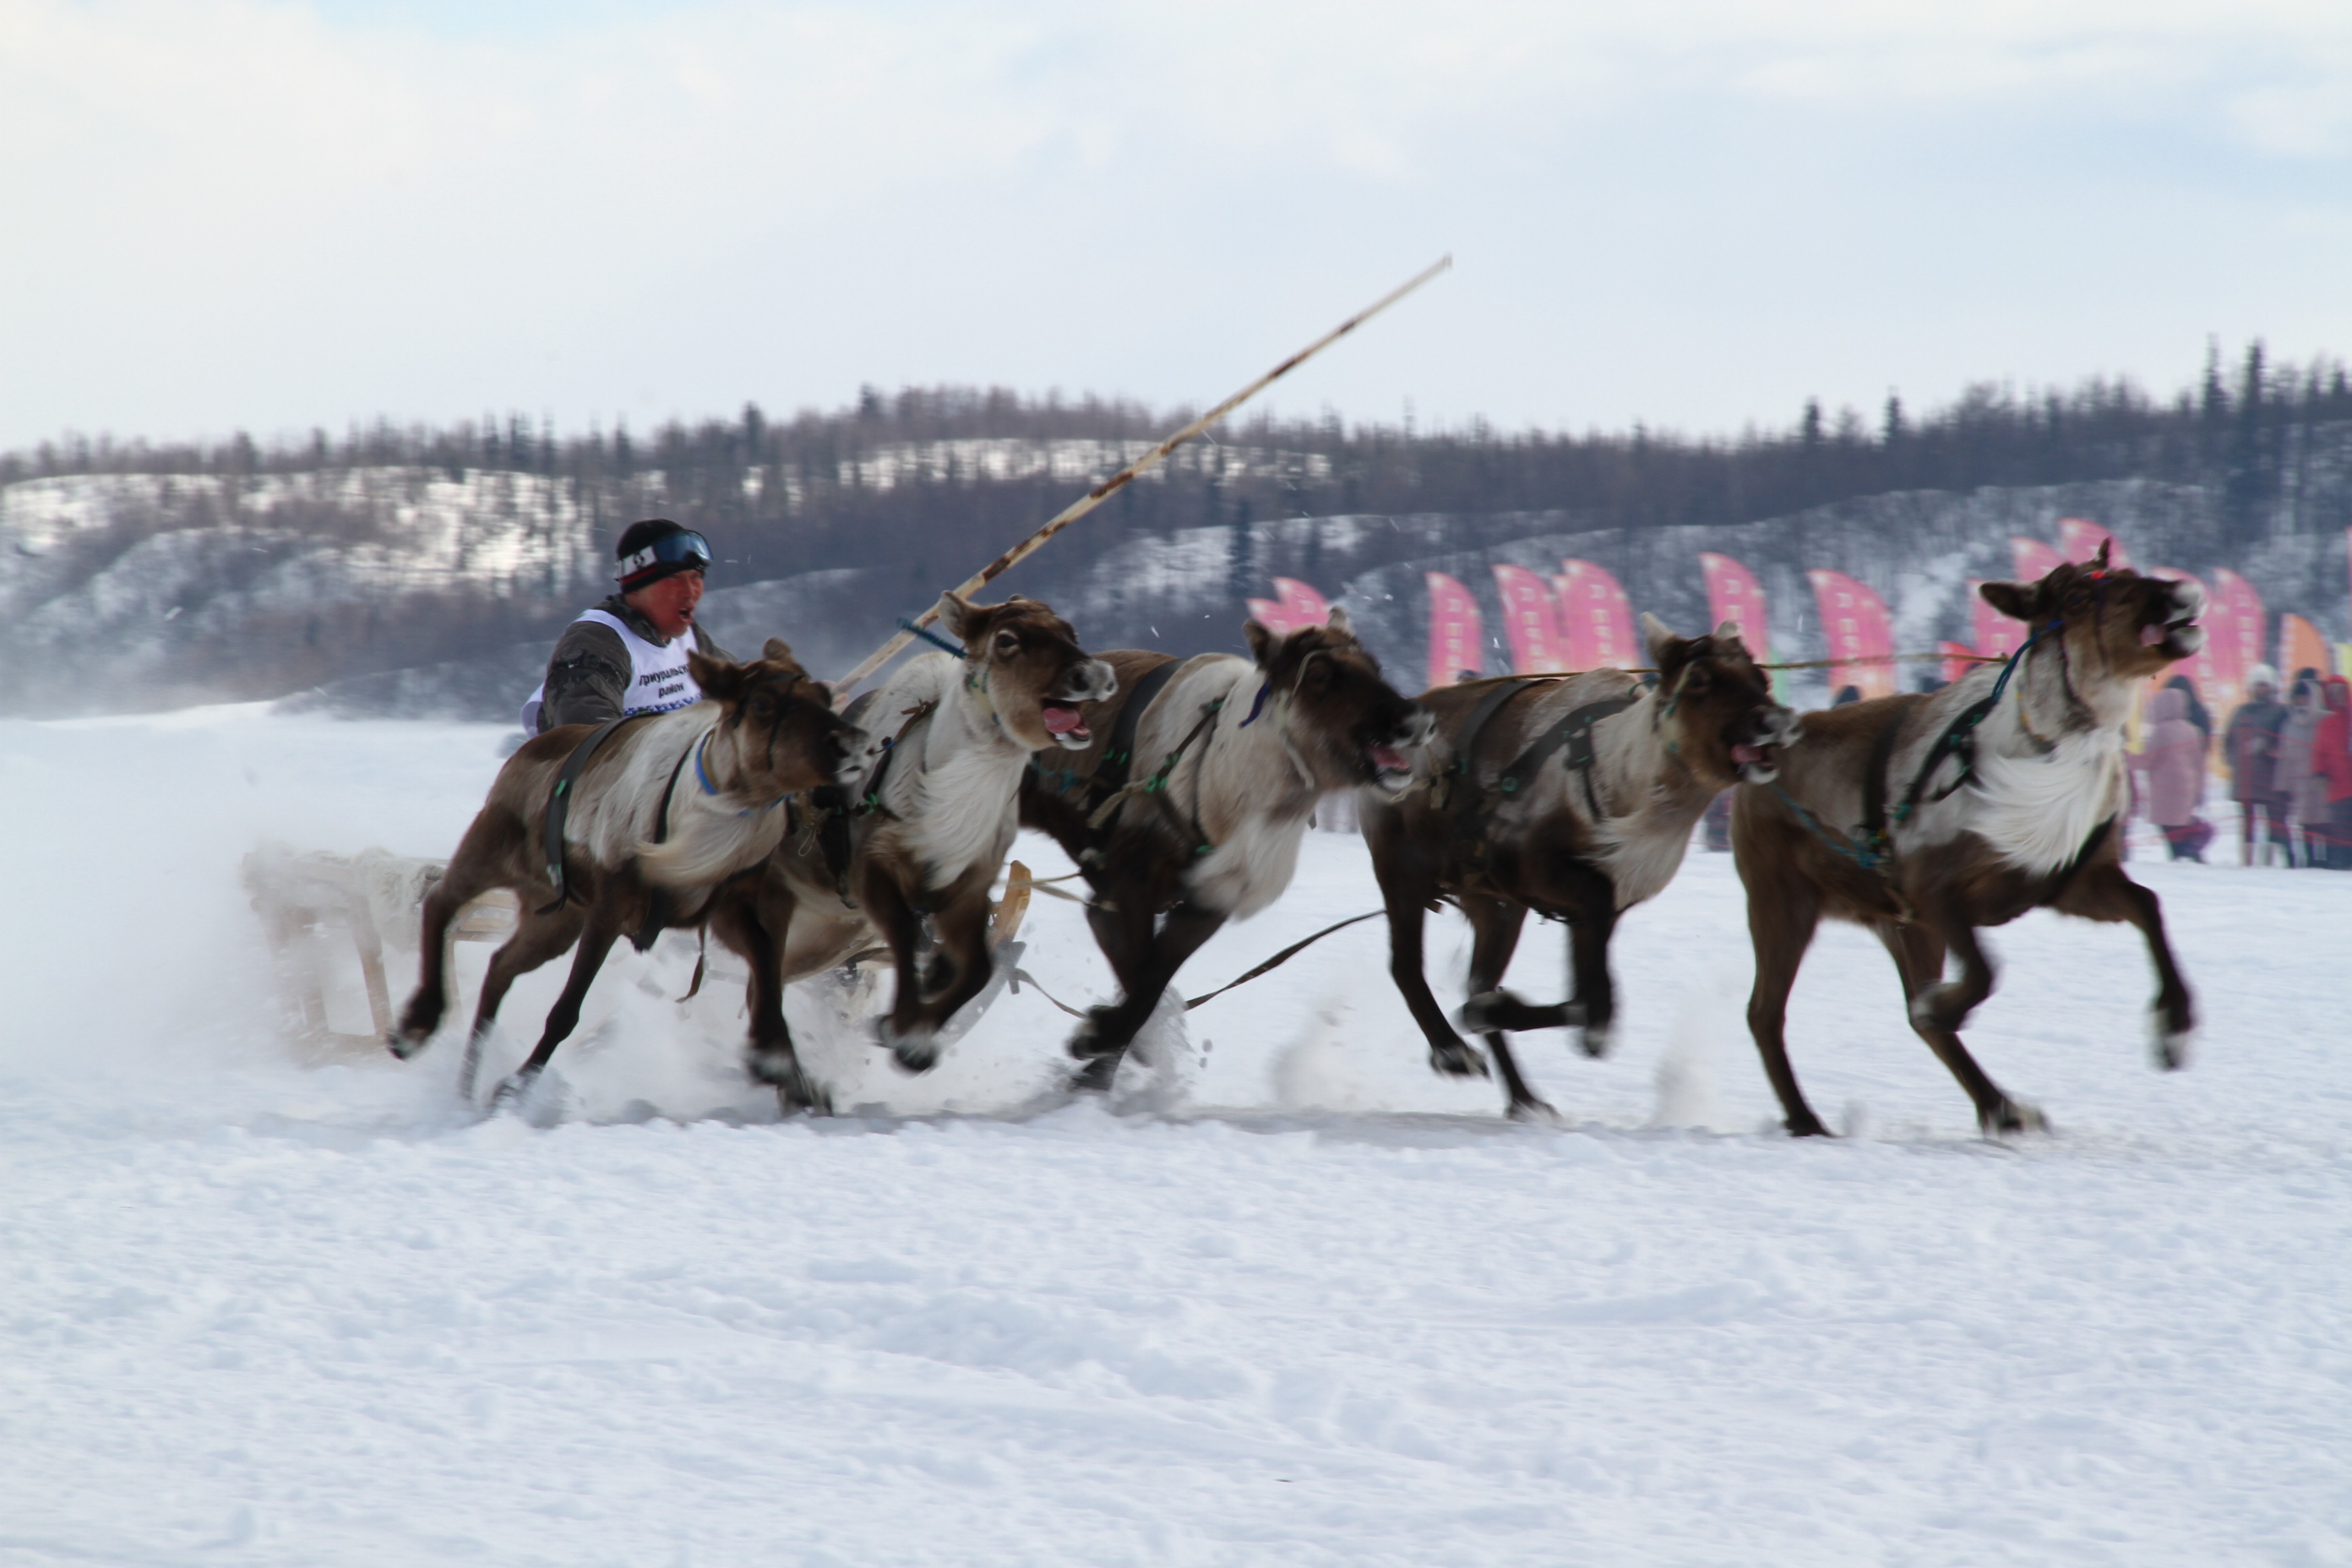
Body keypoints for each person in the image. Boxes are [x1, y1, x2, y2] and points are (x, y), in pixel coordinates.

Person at [521, 519, 734, 734]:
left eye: (696, 577)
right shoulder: (595, 645)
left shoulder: (690, 639)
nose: (689, 592)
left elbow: (740, 688)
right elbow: (589, 743)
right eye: (673, 578)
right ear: (635, 588)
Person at [2132, 686, 2211, 862]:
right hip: (2187, 789)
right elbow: (2200, 764)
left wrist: (2125, 758)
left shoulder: (2161, 731)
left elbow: (2148, 761)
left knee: (2169, 830)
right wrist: (2200, 791)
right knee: (2180, 827)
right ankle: (2189, 853)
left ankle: (2182, 856)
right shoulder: (2192, 730)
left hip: (2164, 790)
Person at [2223, 664, 2289, 866]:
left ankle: (2268, 859)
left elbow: (2287, 741)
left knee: (2274, 820)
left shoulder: (2281, 711)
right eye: (2258, 685)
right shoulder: (2241, 711)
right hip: (2246, 777)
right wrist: (2235, 761)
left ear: (2272, 687)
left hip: (2271, 776)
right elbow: (2228, 742)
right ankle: (2246, 860)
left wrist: (2268, 748)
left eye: (2265, 685)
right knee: (2247, 820)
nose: (2262, 689)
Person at [2278, 672, 2326, 866]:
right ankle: (2307, 859)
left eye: (2304, 696)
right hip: (2298, 782)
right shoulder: (2289, 724)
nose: (2300, 700)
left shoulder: (2325, 720)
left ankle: (2324, 858)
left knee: (2323, 823)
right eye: (2297, 697)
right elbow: (2285, 757)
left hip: (2322, 782)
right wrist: (2282, 784)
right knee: (2304, 823)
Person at [2313, 675, 2352, 870]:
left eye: (2340, 691)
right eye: (2333, 693)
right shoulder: (2327, 723)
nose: (2337, 696)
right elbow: (2320, 752)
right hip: (2337, 788)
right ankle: (2340, 863)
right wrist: (2320, 772)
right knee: (2340, 830)